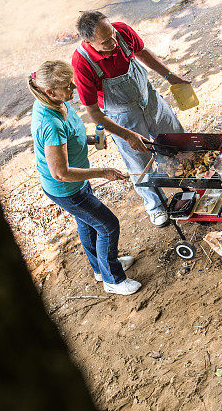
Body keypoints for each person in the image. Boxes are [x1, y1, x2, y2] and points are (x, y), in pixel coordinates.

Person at [29, 61, 141, 295]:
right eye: (68, 86)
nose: (74, 88)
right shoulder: (49, 122)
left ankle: (101, 269)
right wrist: (103, 171)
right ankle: (113, 280)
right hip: (66, 188)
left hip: (77, 180)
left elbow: (69, 135)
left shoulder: (58, 101)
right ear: (49, 92)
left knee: (88, 223)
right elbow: (60, 172)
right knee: (108, 226)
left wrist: (89, 139)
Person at [71, 10, 188, 227]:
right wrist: (128, 136)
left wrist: (170, 76)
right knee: (139, 164)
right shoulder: (82, 63)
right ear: (89, 42)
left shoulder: (121, 31)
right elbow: (94, 114)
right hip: (122, 117)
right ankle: (156, 206)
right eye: (106, 42)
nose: (114, 42)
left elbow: (142, 53)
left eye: (113, 34)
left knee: (177, 139)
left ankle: (191, 184)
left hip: (149, 98)